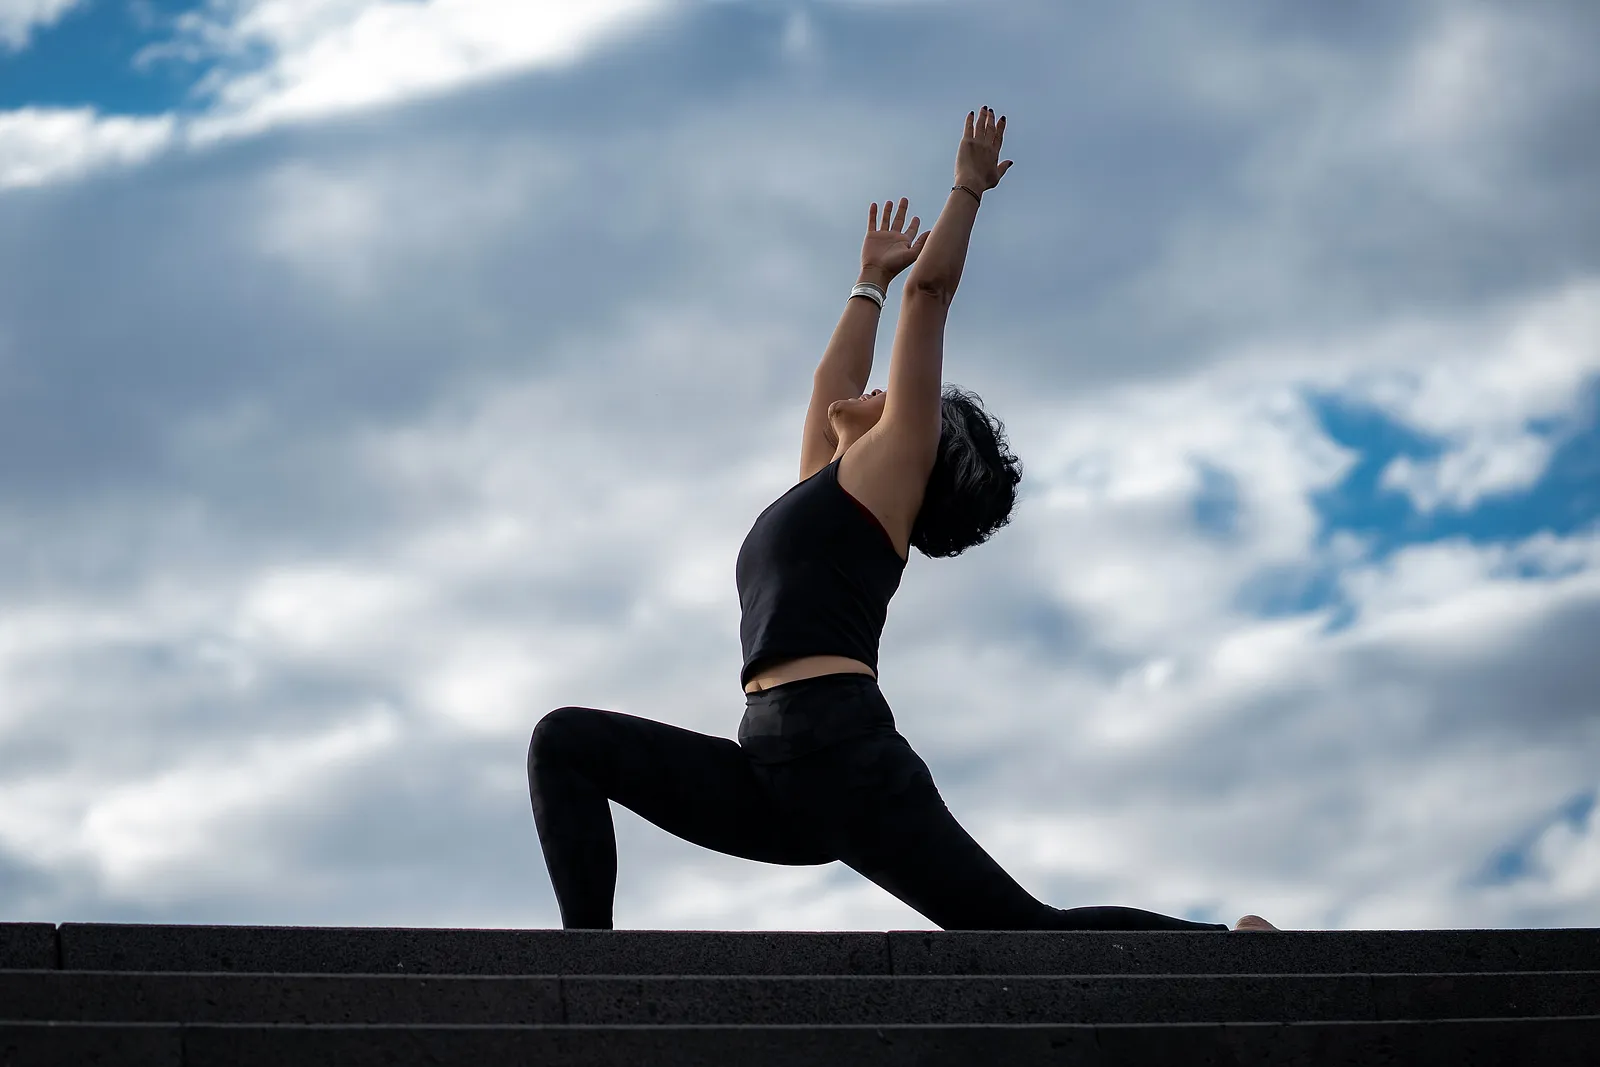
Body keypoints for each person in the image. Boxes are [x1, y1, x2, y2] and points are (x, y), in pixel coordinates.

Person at [527, 105, 1277, 934]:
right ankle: (589, 963)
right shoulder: (824, 488)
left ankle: (1233, 948)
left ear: (916, 446)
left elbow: (933, 293)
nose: (872, 394)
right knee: (565, 743)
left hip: (844, 756)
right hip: (769, 758)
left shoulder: (885, 481)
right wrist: (867, 282)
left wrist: (966, 188)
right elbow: (829, 384)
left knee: (1021, 933)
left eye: (893, 403)